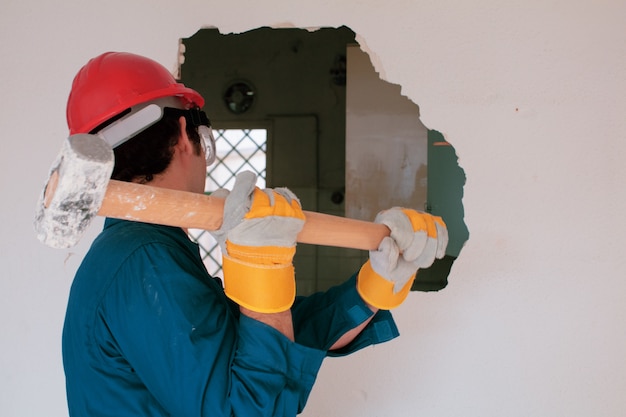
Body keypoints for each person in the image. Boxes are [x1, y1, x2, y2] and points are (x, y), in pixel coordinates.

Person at [61, 51, 448, 417]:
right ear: (184, 133)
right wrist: (261, 265)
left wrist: (372, 290)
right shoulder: (144, 262)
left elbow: (270, 344)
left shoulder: (140, 252)